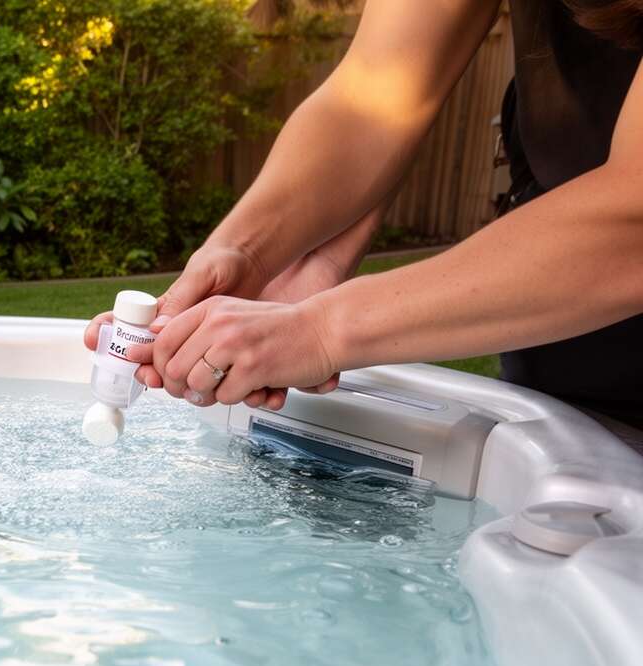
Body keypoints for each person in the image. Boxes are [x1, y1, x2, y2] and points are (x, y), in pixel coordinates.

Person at [85, 0, 643, 428]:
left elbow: (633, 218)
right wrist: (246, 253)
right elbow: (375, 97)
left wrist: (323, 329)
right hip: (547, 321)